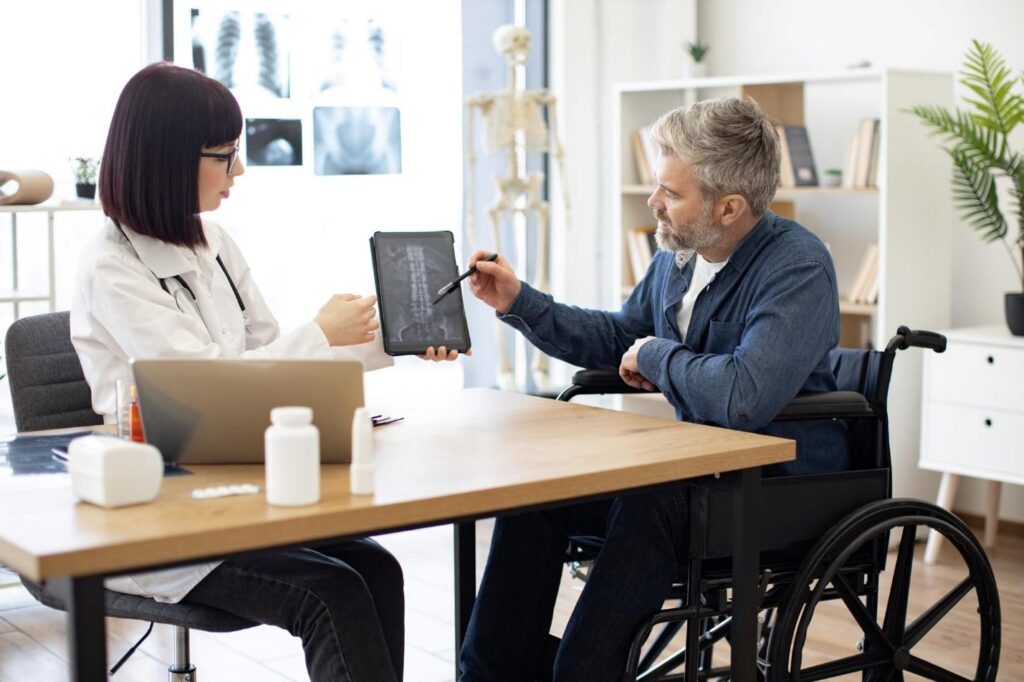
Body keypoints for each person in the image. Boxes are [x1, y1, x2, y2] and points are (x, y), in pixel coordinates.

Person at [71, 62, 460, 681]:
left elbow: (273, 365)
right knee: (329, 591)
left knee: (377, 567)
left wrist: (393, 339)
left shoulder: (214, 242)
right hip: (161, 512)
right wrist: (320, 333)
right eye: (225, 155)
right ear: (168, 158)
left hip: (239, 488)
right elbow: (207, 392)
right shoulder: (110, 266)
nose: (240, 170)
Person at [458, 97, 849, 680]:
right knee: (534, 496)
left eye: (671, 192)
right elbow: (618, 335)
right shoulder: (680, 257)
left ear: (729, 207)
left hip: (777, 487)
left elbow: (743, 396)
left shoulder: (797, 266)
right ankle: (488, 674)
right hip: (697, 471)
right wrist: (521, 302)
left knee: (652, 499)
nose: (653, 202)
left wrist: (660, 355)